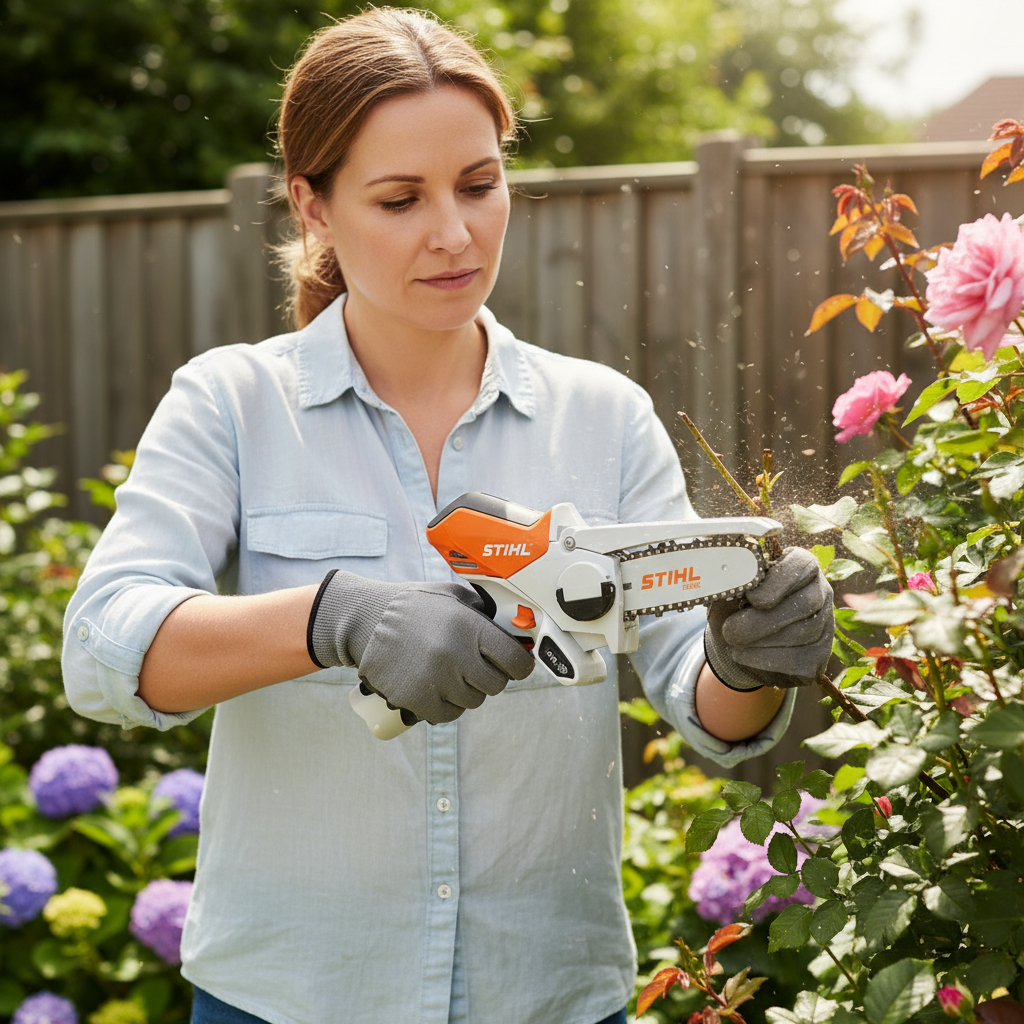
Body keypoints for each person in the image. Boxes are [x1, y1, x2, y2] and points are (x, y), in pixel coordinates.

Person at [61, 9, 834, 1024]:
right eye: (399, 198)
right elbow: (102, 646)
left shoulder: (600, 417)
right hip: (286, 998)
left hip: (549, 994)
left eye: (478, 185)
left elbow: (706, 704)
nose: (453, 233)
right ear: (315, 206)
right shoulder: (232, 404)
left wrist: (745, 657)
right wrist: (331, 616)